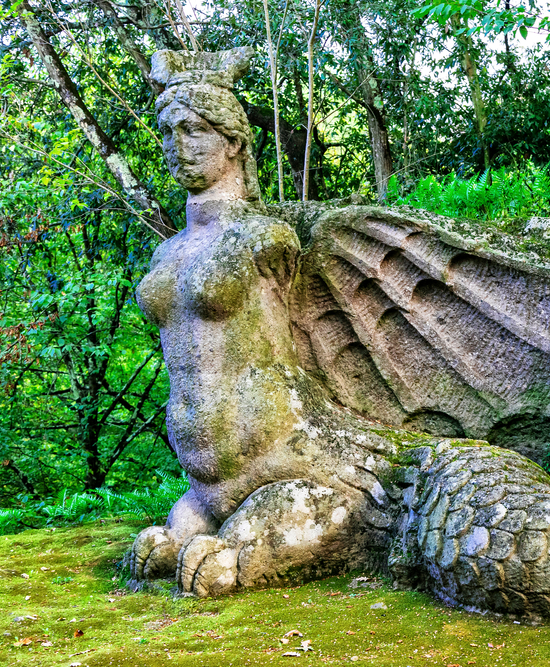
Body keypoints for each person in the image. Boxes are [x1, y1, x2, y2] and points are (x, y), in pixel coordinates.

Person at [130, 48, 391, 596]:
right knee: (168, 550)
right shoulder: (166, 255)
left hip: (281, 456)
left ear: (235, 142)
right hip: (205, 482)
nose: (178, 146)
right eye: (168, 133)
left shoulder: (264, 238)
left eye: (195, 130)